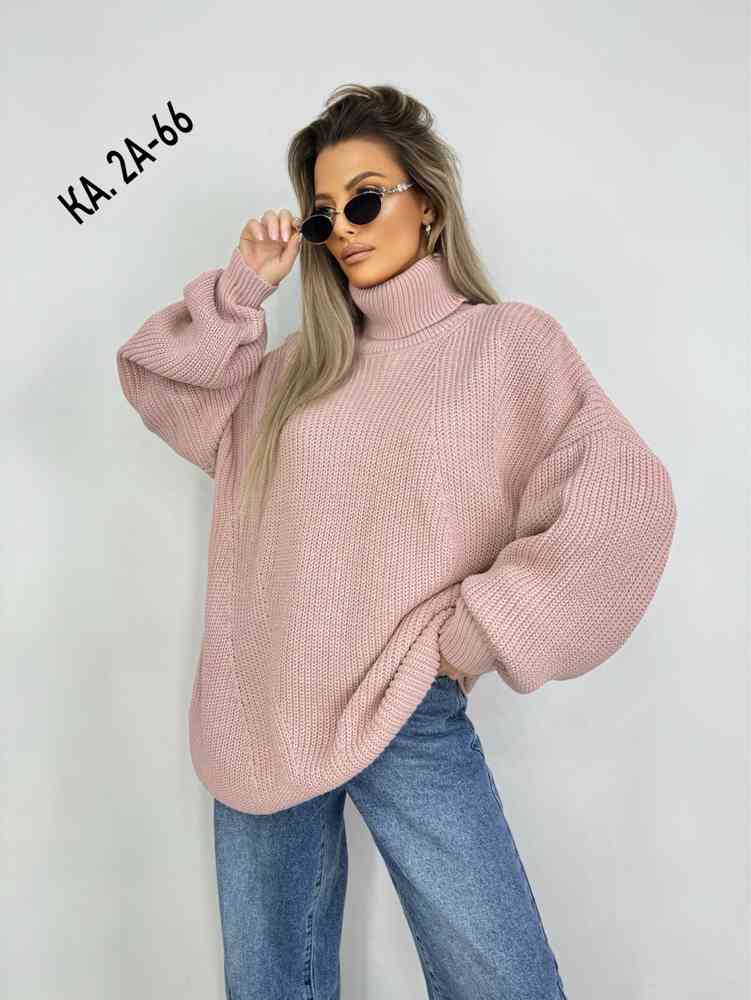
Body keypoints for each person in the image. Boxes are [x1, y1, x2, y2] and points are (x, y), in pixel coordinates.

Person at [116, 83, 677, 1000]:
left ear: (429, 204)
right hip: (264, 711)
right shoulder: (297, 370)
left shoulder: (507, 347)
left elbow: (624, 498)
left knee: (502, 982)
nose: (343, 228)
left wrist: (472, 635)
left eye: (366, 199)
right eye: (323, 213)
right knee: (269, 986)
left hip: (402, 701)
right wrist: (242, 291)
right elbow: (160, 387)